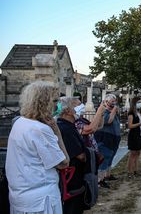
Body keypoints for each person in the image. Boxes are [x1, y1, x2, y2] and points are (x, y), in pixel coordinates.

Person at [6, 81, 69, 214]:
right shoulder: (40, 129)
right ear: (43, 102)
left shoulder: (19, 122)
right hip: (41, 199)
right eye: (55, 101)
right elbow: (63, 163)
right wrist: (57, 132)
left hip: (20, 195)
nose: (58, 105)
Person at [57, 96, 87, 214]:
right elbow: (80, 155)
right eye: (77, 106)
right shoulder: (65, 128)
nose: (79, 109)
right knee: (73, 208)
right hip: (72, 178)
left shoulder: (67, 125)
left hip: (75, 177)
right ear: (68, 111)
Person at [94, 94, 121, 188]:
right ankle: (100, 180)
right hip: (105, 139)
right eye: (112, 101)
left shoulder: (112, 111)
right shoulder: (104, 111)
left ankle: (107, 175)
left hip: (114, 139)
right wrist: (113, 111)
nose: (114, 103)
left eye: (115, 101)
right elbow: (108, 121)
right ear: (106, 101)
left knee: (111, 157)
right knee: (105, 158)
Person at [127, 97, 141, 177]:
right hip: (133, 135)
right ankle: (130, 171)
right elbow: (130, 125)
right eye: (138, 102)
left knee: (137, 153)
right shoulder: (131, 113)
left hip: (139, 134)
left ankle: (135, 170)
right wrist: (139, 124)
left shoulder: (137, 112)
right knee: (133, 154)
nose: (140, 104)